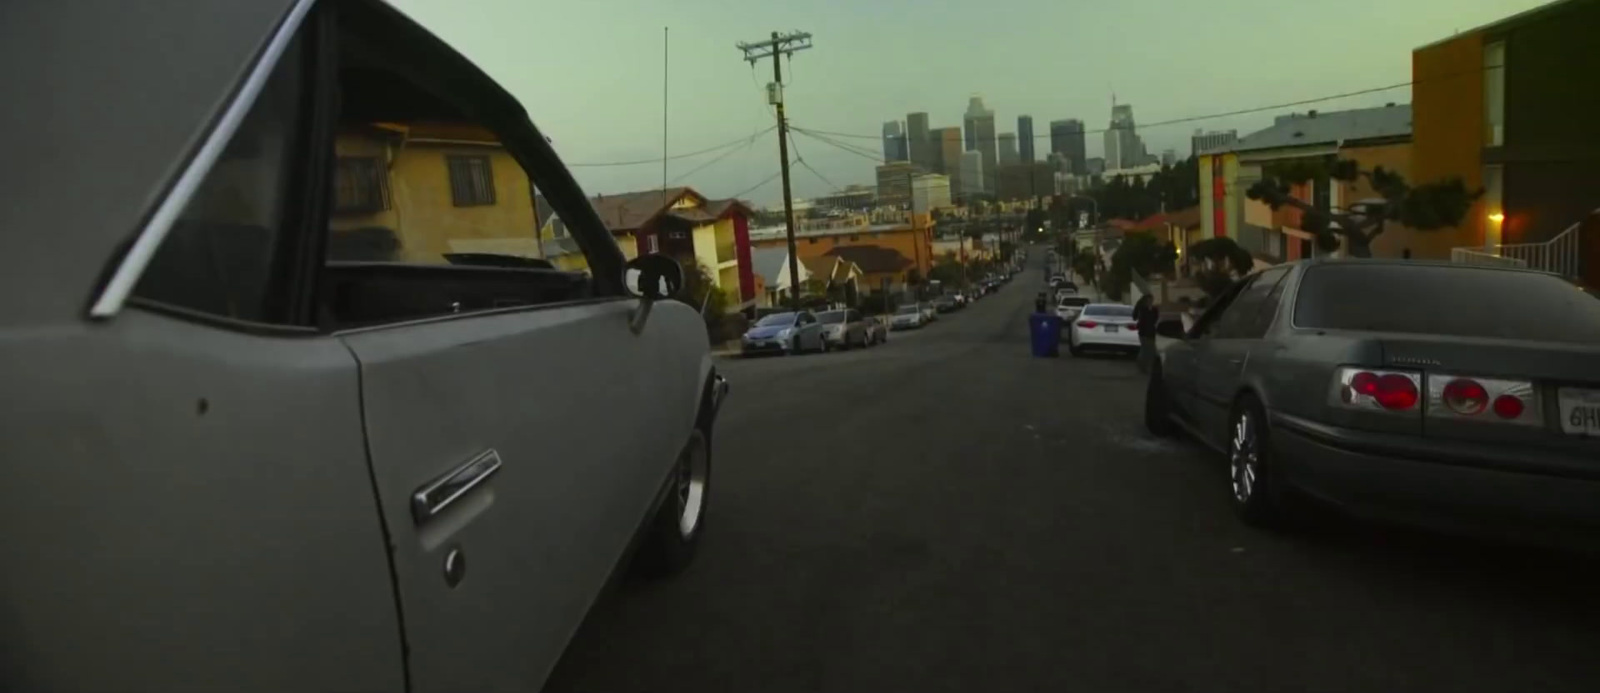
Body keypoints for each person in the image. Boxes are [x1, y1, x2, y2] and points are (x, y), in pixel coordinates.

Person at [1133, 294, 1159, 374]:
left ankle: (1147, 366)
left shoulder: (1154, 309)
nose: (1151, 302)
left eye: (1151, 300)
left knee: (1151, 350)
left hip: (1151, 332)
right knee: (1145, 349)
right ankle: (1143, 366)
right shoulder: (1142, 309)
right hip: (1143, 332)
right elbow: (1135, 317)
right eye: (1149, 300)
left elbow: (1155, 319)